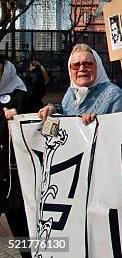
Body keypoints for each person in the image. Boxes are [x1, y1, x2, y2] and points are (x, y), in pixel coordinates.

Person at [1, 55, 42, 249]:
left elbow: (48, 129)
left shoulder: (22, 97)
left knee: (25, 242)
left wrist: (25, 118)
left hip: (15, 185)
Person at [38, 44, 122, 125]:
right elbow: (67, 112)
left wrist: (100, 123)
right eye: (76, 65)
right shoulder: (70, 94)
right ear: (70, 70)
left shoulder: (115, 96)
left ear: (97, 66)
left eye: (88, 64)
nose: (81, 68)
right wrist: (54, 109)